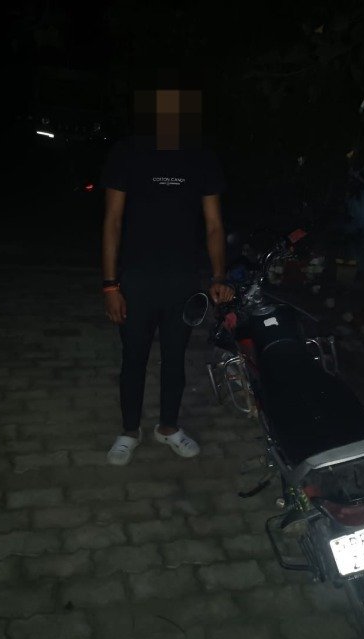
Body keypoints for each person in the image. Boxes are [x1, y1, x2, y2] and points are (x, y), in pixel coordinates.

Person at [101, 86, 234, 465]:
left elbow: (213, 224)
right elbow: (112, 221)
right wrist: (110, 285)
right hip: (136, 278)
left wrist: (218, 275)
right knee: (134, 357)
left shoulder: (202, 158)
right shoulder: (128, 152)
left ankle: (169, 427)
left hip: (183, 280)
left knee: (175, 358)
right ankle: (129, 431)